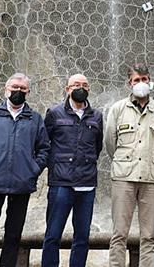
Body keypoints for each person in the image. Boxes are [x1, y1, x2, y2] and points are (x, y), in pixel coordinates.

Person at [0, 73, 50, 267]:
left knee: (13, 234)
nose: (18, 91)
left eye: (22, 89)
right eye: (14, 87)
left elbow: (44, 148)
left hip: (21, 184)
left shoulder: (35, 119)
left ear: (28, 92)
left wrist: (33, 169)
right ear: (6, 89)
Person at [104, 63, 154, 267]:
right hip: (124, 178)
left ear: (150, 81)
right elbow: (110, 143)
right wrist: (125, 162)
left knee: (149, 235)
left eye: (144, 79)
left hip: (151, 179)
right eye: (136, 80)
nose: (141, 83)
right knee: (119, 233)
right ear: (129, 83)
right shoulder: (118, 109)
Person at [41, 73, 104, 267]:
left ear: (89, 89)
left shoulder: (97, 116)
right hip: (61, 183)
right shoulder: (54, 113)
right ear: (67, 89)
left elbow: (98, 146)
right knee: (53, 235)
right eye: (75, 85)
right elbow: (44, 144)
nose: (80, 88)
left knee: (82, 237)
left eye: (84, 85)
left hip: (86, 184)